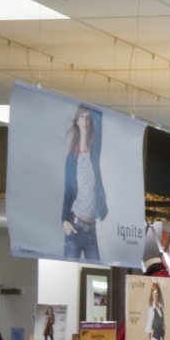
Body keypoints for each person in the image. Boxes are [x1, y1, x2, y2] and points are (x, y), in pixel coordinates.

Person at [62, 104, 107, 261]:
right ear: (77, 121)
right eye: (82, 117)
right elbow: (68, 193)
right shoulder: (71, 159)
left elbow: (100, 125)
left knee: (99, 272)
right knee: (67, 272)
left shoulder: (94, 152)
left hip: (91, 229)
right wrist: (64, 221)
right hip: (75, 227)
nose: (85, 121)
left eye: (88, 118)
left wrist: (95, 104)